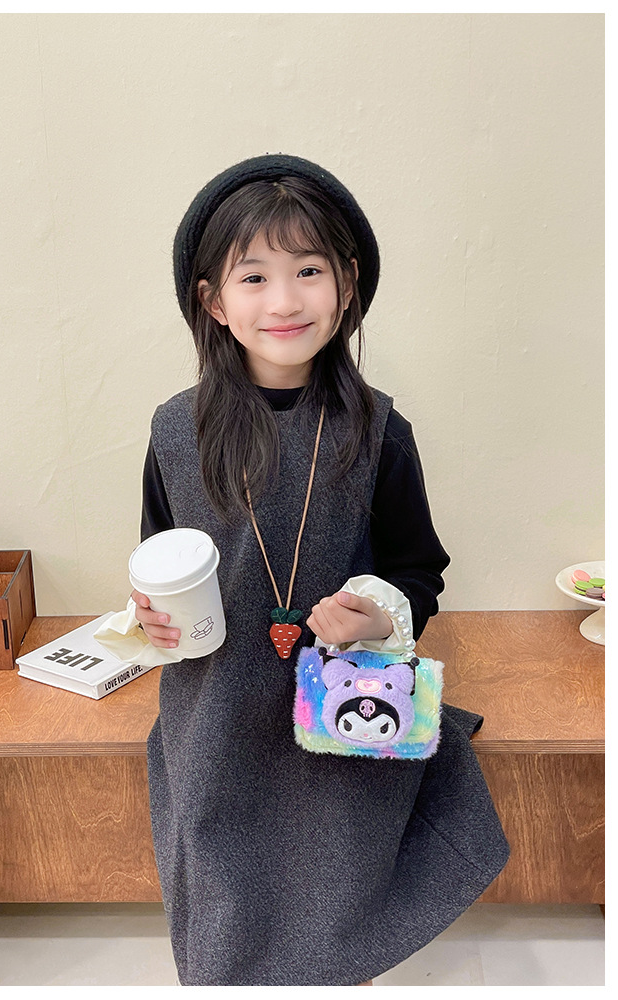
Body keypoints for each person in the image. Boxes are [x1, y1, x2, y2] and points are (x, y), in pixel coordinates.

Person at [129, 154, 509, 986]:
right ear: (213, 300)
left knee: (336, 920)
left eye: (308, 270)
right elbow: (159, 561)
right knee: (223, 920)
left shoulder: (378, 431)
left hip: (346, 711)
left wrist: (377, 613)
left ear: (347, 286)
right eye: (254, 276)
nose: (284, 300)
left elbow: (418, 571)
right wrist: (149, 618)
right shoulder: (174, 433)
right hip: (218, 717)